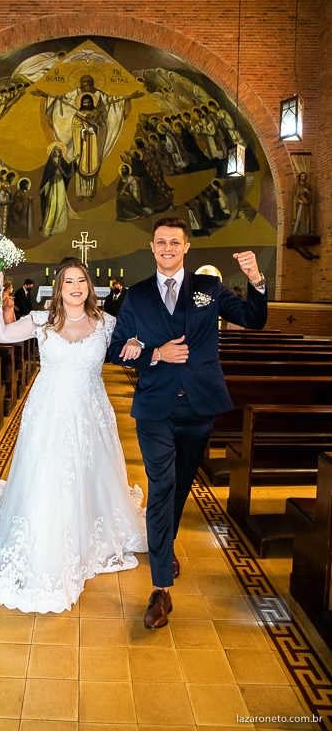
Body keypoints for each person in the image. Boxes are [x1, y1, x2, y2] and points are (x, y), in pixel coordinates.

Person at [108, 217, 267, 630]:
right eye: (160, 242)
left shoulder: (209, 289)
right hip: (155, 407)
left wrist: (256, 280)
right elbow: (116, 350)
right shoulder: (139, 296)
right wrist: (155, 354)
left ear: (186, 247)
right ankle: (161, 590)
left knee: (178, 486)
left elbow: (254, 319)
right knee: (161, 485)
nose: (167, 248)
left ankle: (164, 542)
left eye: (174, 243)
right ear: (152, 245)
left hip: (199, 405)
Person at [0, 257, 147, 613]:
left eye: (81, 280)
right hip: (47, 412)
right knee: (48, 476)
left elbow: (136, 339)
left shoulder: (107, 322)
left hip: (90, 413)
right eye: (68, 282)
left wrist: (138, 344)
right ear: (59, 288)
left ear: (88, 285)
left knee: (89, 474)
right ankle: (46, 537)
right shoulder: (40, 320)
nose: (76, 287)